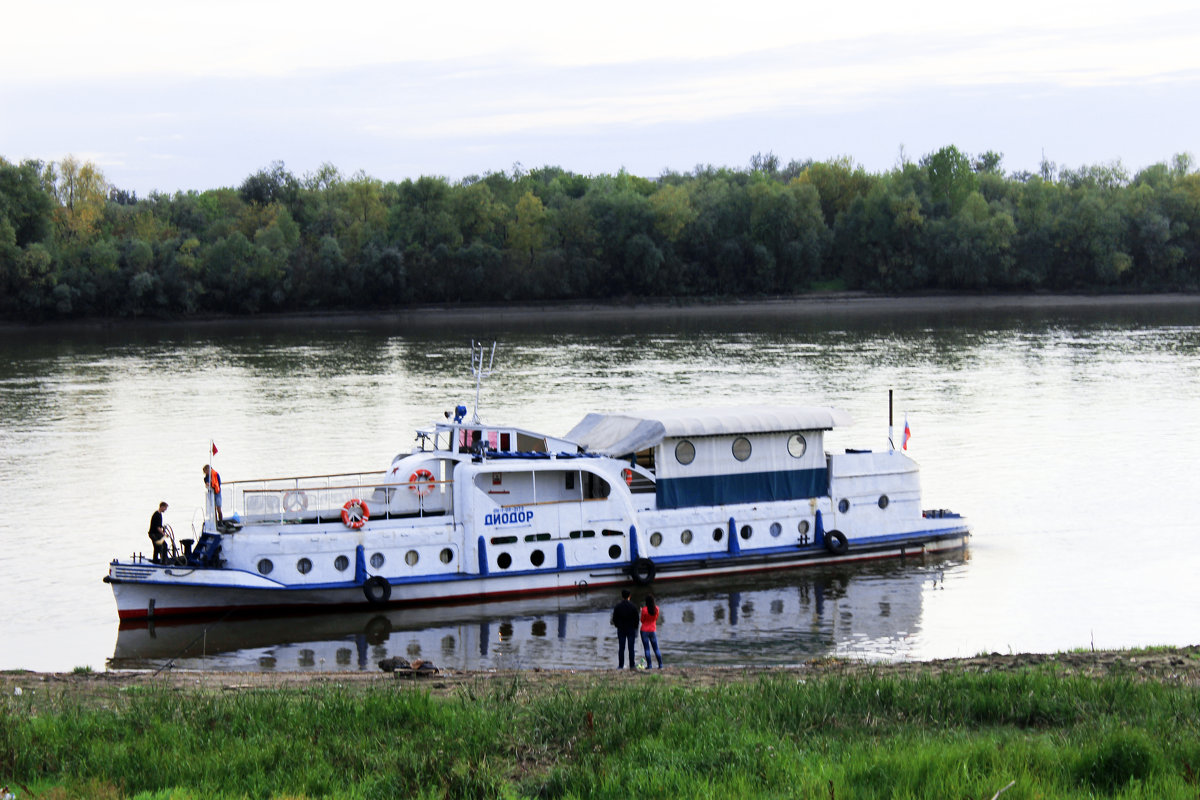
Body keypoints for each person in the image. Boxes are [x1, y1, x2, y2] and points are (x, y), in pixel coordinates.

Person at [610, 588, 640, 670]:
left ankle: (620, 665)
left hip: (621, 629)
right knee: (631, 648)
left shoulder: (618, 607)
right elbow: (637, 619)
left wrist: (617, 626)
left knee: (621, 648)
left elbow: (614, 618)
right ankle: (632, 665)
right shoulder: (633, 607)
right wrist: (635, 628)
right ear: (629, 596)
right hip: (631, 629)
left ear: (622, 596)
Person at [640, 594, 664, 669]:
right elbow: (656, 619)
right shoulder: (656, 609)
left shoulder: (644, 610)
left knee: (647, 649)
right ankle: (660, 665)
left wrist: (641, 612)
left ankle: (649, 665)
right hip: (653, 630)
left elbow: (642, 620)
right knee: (656, 648)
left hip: (644, 630)